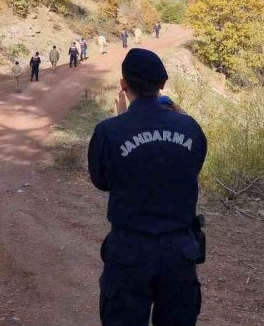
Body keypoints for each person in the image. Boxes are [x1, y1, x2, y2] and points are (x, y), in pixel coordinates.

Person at [88, 48, 208, 325]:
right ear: (163, 84)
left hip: (129, 251)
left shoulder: (109, 131)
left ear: (123, 85)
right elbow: (192, 167)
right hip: (180, 252)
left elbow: (101, 181)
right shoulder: (190, 127)